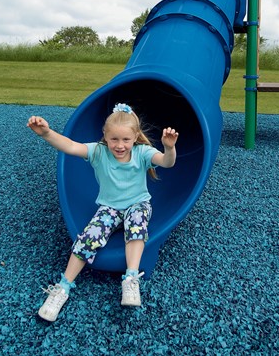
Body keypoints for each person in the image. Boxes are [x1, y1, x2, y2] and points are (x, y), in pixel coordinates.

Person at [27, 103, 179, 322]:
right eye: (114, 139)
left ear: (135, 137)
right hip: (109, 208)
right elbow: (70, 146)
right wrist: (47, 133)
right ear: (105, 137)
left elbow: (167, 162)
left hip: (138, 204)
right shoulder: (98, 152)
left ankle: (131, 278)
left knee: (136, 223)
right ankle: (62, 288)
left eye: (126, 140)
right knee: (88, 237)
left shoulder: (142, 152)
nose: (119, 145)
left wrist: (169, 148)